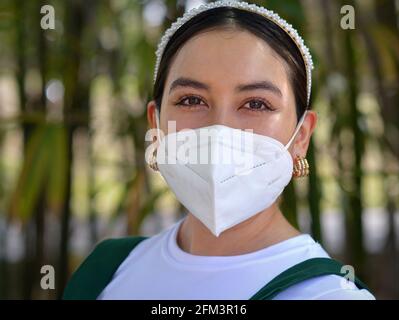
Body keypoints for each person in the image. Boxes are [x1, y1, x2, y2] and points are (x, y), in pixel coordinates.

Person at [63, 0, 375, 300]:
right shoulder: (105, 273)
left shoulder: (328, 294)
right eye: (191, 100)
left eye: (256, 104)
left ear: (302, 136)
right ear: (156, 125)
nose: (219, 128)